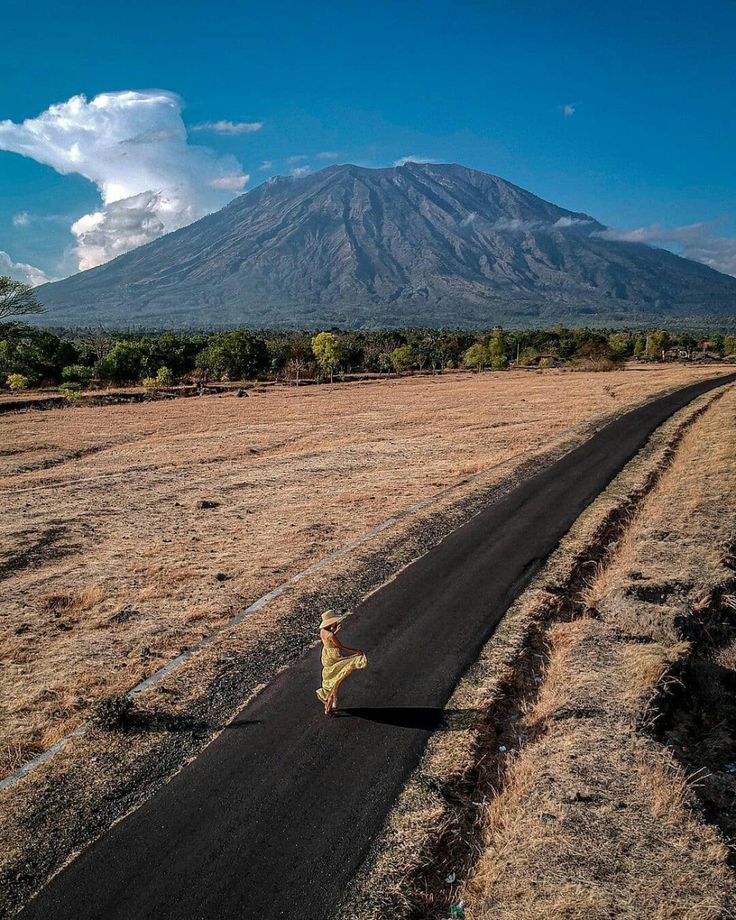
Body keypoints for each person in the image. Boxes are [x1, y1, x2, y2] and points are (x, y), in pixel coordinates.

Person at [316, 610, 367, 716]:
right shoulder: (331, 635)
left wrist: (335, 632)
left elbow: (328, 640)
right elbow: (340, 646)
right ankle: (328, 708)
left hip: (326, 656)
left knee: (333, 680)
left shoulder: (322, 631)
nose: (336, 623)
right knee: (335, 680)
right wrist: (355, 651)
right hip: (333, 657)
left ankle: (331, 704)